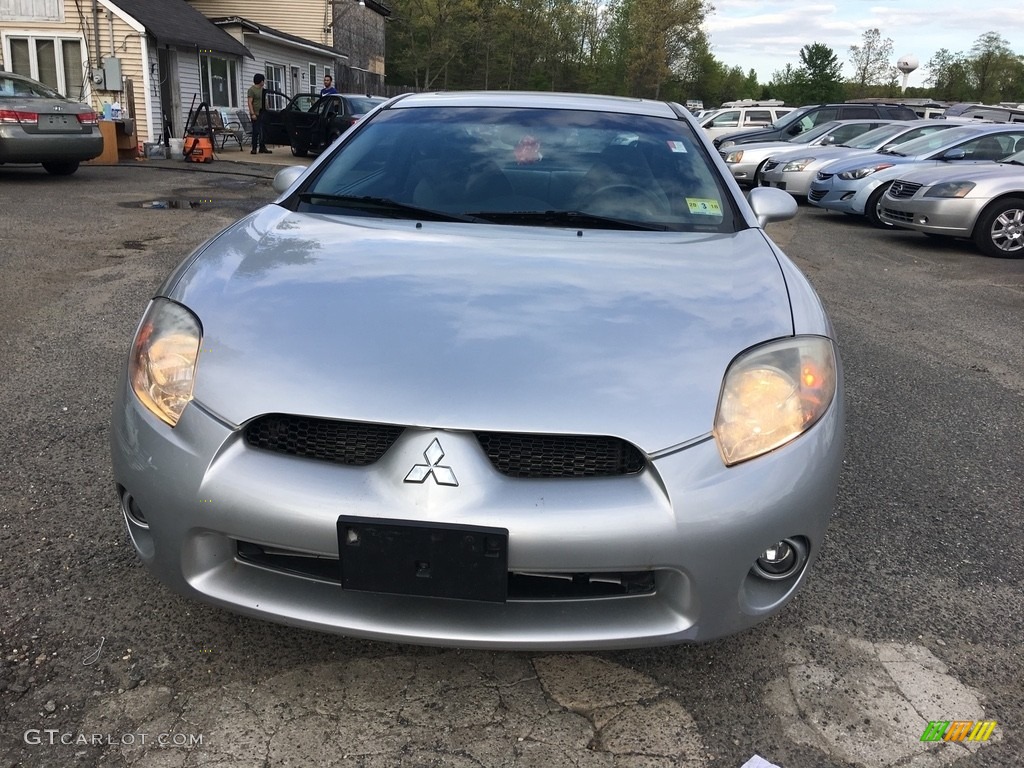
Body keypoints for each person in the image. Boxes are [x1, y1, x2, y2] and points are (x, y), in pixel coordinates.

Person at [246, 74, 271, 154]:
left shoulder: (262, 90)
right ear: (261, 81)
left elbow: (265, 100)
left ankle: (262, 147)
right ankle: (254, 148)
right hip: (256, 113)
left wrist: (268, 109)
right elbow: (250, 102)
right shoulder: (252, 90)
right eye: (263, 80)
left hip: (263, 113)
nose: (264, 82)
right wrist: (252, 113)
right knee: (256, 131)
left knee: (263, 131)